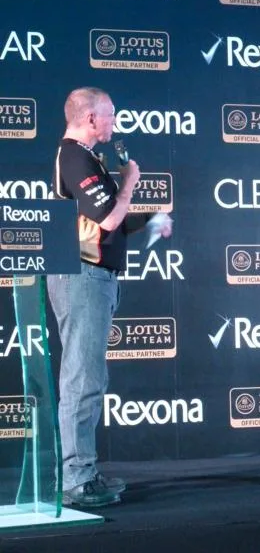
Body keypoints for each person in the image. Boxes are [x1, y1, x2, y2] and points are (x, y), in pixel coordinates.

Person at [47, 87, 171, 507]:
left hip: (94, 275)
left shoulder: (86, 157)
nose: (114, 123)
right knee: (82, 379)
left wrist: (151, 218)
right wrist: (129, 183)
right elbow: (108, 218)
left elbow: (105, 223)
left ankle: (84, 471)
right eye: (110, 115)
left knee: (89, 378)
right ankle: (76, 479)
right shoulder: (75, 156)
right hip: (83, 277)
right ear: (90, 119)